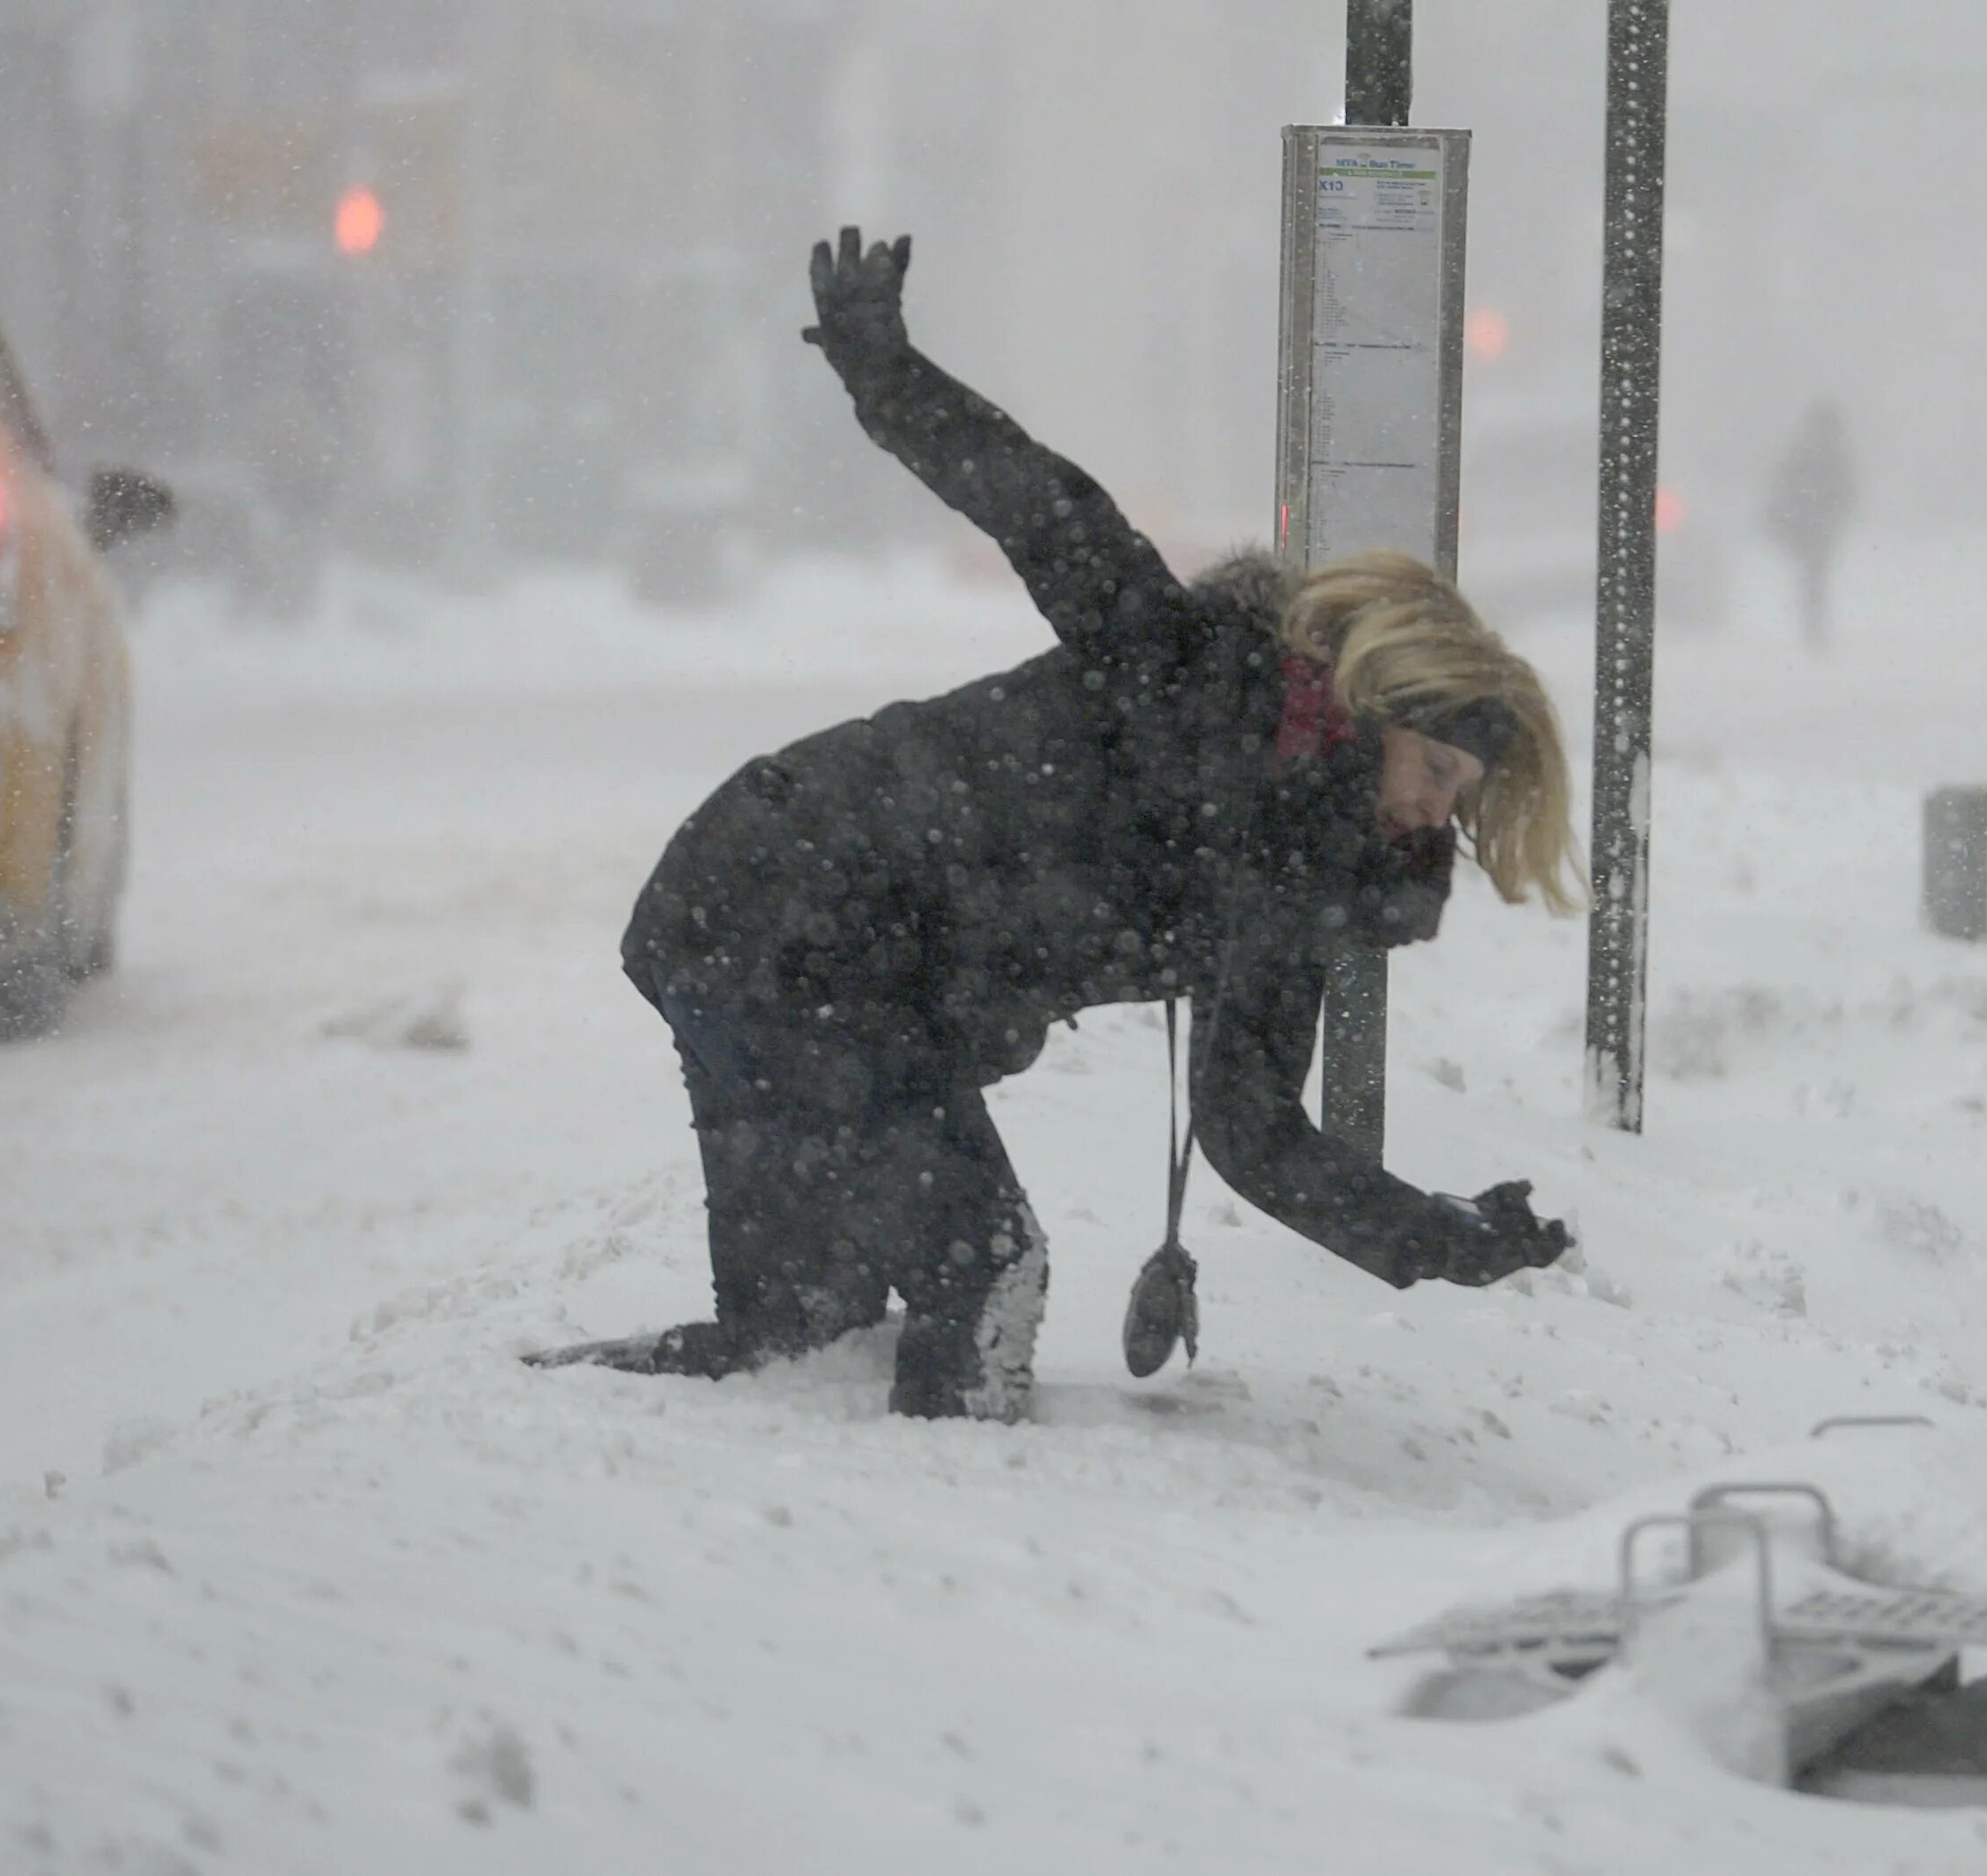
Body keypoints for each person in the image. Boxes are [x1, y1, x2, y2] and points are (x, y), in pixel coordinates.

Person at [611, 228, 1582, 1423]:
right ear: (1370, 706)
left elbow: (1256, 1132)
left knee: (803, 1331)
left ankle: (634, 1460)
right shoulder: (1187, 674)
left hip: (813, 952)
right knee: (982, 1271)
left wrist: (1442, 1236)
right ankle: (929, 1529)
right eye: (1434, 761)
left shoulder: (1299, 882)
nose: (1439, 806)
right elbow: (1041, 506)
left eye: (1464, 790)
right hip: (778, 898)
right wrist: (885, 372)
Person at [1764, 396, 1858, 650]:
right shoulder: (1822, 456)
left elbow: (1846, 491)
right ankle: (1814, 628)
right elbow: (1847, 491)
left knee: (1812, 577)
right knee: (1814, 576)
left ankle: (1813, 627)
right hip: (1811, 525)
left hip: (1811, 525)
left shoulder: (1808, 455)